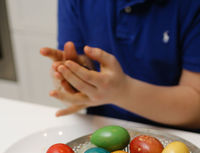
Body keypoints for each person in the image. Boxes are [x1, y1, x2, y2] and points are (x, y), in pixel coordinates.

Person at [40, 0, 200, 132]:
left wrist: (124, 92)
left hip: (175, 133)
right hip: (100, 128)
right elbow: (76, 62)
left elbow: (196, 110)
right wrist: (72, 79)